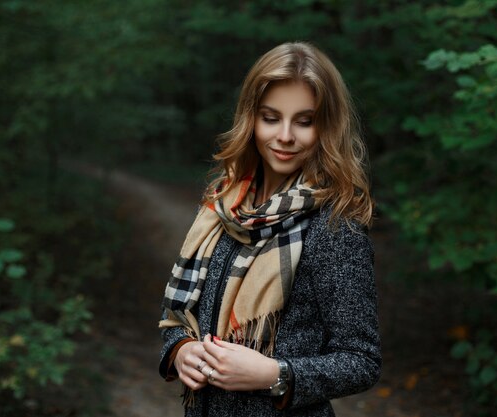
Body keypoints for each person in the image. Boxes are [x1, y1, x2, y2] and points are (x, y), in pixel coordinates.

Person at [158, 41, 380, 417]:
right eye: (271, 117)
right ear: (251, 118)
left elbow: (361, 361)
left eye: (305, 121)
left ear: (327, 126)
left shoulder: (335, 226)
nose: (286, 136)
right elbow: (180, 318)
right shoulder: (222, 206)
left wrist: (276, 374)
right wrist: (181, 350)